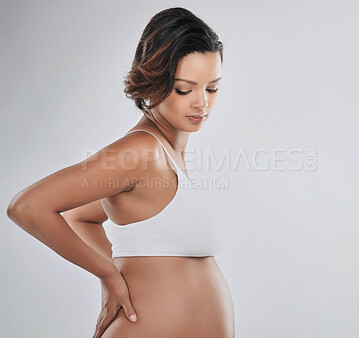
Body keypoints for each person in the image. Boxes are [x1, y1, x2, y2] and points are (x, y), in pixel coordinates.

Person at [6, 7, 235, 338]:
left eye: (212, 88)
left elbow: (80, 215)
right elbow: (27, 207)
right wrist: (108, 274)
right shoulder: (140, 151)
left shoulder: (166, 155)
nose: (202, 103)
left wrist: (114, 267)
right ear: (154, 80)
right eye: (185, 89)